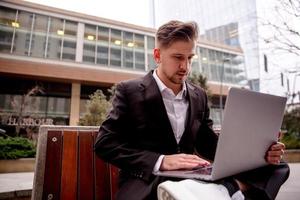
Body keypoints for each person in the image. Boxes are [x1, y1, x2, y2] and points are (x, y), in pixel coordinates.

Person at [94, 20, 289, 200]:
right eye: (178, 57)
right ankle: (227, 192)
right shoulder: (130, 91)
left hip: (192, 178)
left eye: (190, 58)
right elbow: (105, 143)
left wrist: (257, 152)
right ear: (157, 55)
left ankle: (229, 189)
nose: (185, 67)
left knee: (278, 167)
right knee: (179, 188)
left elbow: (208, 144)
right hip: (148, 181)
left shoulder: (199, 96)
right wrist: (161, 161)